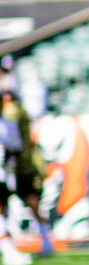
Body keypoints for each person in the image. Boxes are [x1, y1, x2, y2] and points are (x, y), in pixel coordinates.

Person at [2, 90, 51, 256]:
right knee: (31, 202)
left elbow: (12, 145)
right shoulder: (20, 112)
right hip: (23, 165)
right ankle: (45, 239)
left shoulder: (11, 114)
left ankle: (8, 247)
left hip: (15, 168)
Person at [0, 112, 31, 265]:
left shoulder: (8, 125)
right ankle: (8, 250)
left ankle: (7, 250)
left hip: (4, 174)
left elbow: (16, 150)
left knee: (4, 212)